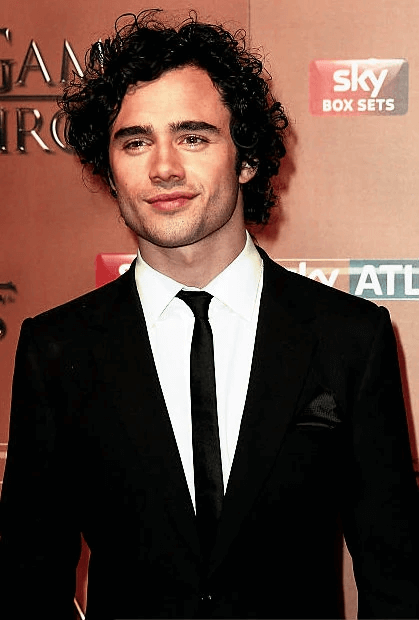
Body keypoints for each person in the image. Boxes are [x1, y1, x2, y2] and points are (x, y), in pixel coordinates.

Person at [1, 9, 418, 620]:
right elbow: (28, 584)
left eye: (193, 137)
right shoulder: (57, 349)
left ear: (246, 159)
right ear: (110, 169)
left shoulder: (350, 338)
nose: (163, 167)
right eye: (135, 141)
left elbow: (398, 582)